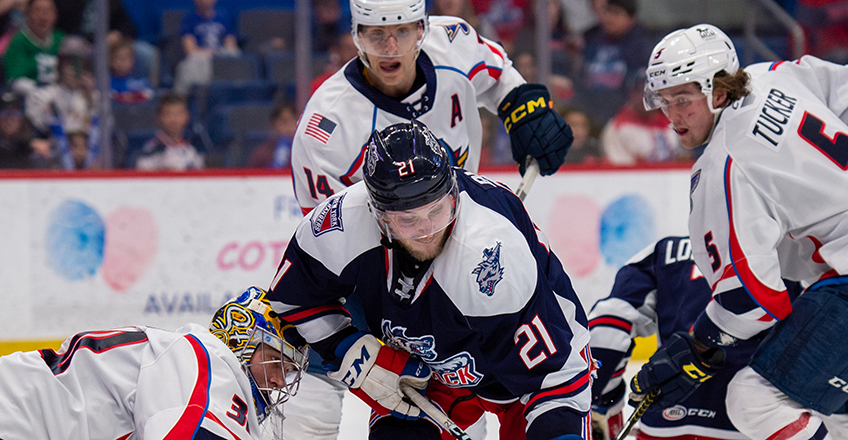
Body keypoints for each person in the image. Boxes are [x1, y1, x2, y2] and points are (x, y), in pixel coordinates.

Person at [628, 24, 848, 440]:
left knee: (754, 400)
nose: (672, 116)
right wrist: (816, 176)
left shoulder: (724, 167)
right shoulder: (775, 73)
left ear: (719, 92)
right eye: (664, 101)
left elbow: (753, 302)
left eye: (684, 99)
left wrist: (695, 347)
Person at [268, 121, 593, 440]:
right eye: (408, 220)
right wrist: (347, 347)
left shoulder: (491, 254)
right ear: (377, 214)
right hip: (431, 369)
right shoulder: (339, 227)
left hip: (535, 369)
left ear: (452, 193)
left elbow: (554, 379)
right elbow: (293, 297)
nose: (426, 230)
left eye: (436, 211)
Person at [292, 0, 573, 213]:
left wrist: (523, 111)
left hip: (466, 224)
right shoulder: (326, 126)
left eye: (402, 31)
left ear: (421, 31)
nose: (391, 48)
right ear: (358, 37)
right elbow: (326, 235)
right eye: (377, 34)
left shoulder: (453, 43)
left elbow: (499, 75)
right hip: (385, 265)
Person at [0, 286, 309, 440]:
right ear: (242, 339)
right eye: (275, 360)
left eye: (287, 371)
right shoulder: (202, 358)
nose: (277, 379)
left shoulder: (181, 355)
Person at [589, 236, 802, 440]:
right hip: (756, 425)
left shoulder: (663, 253)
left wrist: (602, 405)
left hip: (665, 422)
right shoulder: (794, 256)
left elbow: (607, 328)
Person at [600, 73, 683, 165]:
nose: (646, 97)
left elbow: (682, 158)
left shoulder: (672, 124)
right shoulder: (617, 127)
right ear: (631, 94)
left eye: (652, 91)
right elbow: (620, 169)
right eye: (641, 91)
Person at [174, 0, 239, 94]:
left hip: (220, 57)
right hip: (200, 58)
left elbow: (231, 44)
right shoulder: (189, 19)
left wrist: (221, 52)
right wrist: (210, 53)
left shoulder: (223, 17)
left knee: (235, 54)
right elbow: (190, 50)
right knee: (194, 62)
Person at [133, 94, 206, 171]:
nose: (174, 120)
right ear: (158, 117)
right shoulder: (150, 149)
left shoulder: (193, 149)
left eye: (178, 114)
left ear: (187, 116)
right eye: (168, 114)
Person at [2, 0, 64, 86]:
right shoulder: (18, 42)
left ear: (55, 15)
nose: (43, 17)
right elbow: (14, 79)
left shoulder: (62, 40)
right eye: (38, 11)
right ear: (27, 14)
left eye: (48, 11)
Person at [248, 102, 297, 169]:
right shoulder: (261, 154)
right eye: (285, 121)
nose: (290, 127)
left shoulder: (303, 153)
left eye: (295, 122)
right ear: (273, 124)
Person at [109, 37, 154, 105]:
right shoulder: (106, 82)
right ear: (110, 60)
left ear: (132, 60)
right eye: (117, 58)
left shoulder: (141, 82)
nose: (121, 63)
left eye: (125, 59)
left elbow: (150, 95)